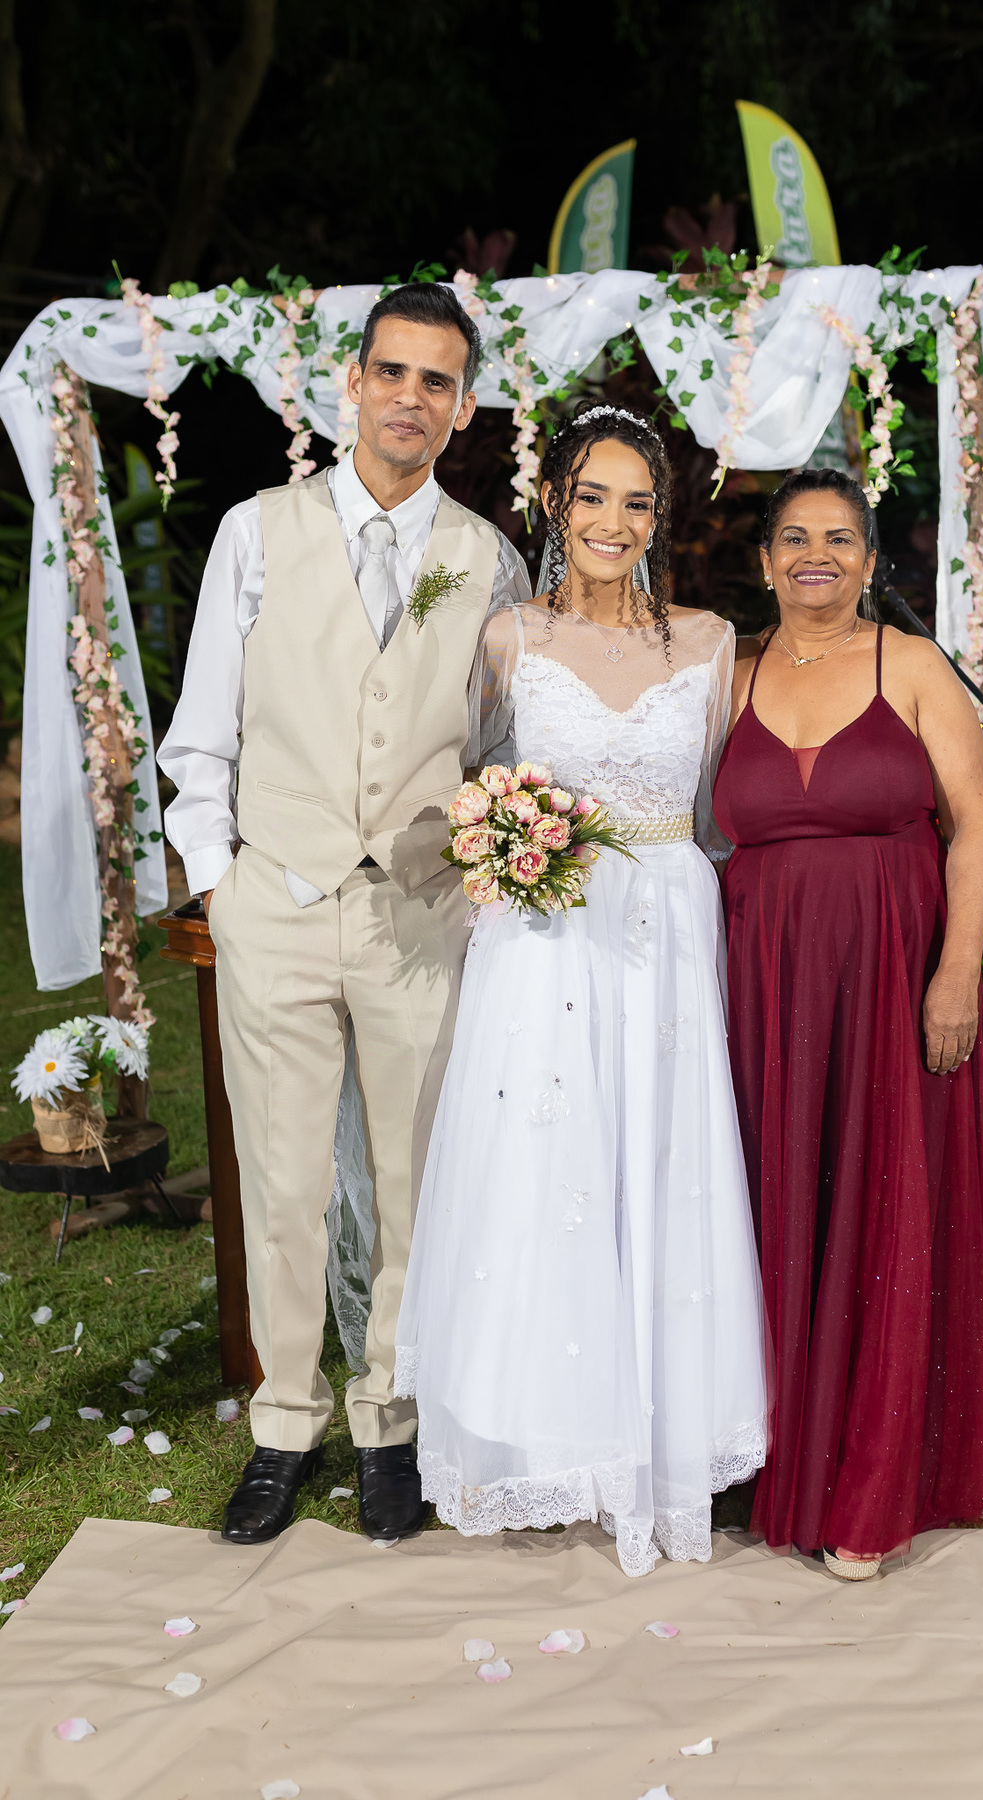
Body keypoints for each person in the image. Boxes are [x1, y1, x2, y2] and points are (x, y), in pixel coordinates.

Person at [158, 282, 531, 1545]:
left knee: (417, 1179)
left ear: (463, 407)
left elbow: (500, 743)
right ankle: (283, 1422)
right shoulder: (257, 532)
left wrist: (478, 864)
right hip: (276, 898)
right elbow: (201, 729)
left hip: (422, 911)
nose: (410, 399)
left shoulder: (486, 558)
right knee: (283, 1181)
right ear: (353, 383)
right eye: (393, 372)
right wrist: (220, 881)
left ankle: (391, 1422)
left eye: (438, 381)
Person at [390, 403, 768, 1578]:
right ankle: (552, 1440)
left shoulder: (710, 644)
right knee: (549, 1175)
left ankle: (667, 1437)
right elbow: (460, 776)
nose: (614, 520)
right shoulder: (507, 639)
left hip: (668, 933)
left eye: (637, 502)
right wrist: (498, 843)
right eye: (592, 496)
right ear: (554, 503)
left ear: (662, 518)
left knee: (661, 1166)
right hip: (545, 938)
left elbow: (728, 809)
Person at [712, 467, 983, 1580]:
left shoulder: (914, 664)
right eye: (795, 538)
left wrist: (956, 971)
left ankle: (873, 1484)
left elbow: (976, 826)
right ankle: (776, 1455)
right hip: (763, 984)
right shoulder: (730, 677)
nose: (817, 555)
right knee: (777, 1205)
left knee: (886, 1202)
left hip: (896, 974)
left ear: (868, 559)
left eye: (839, 538)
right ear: (765, 561)